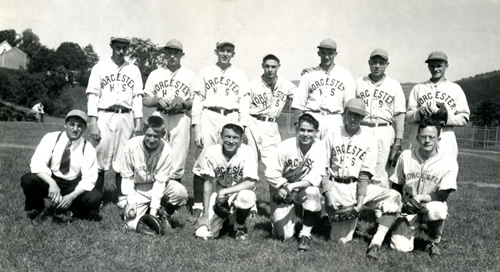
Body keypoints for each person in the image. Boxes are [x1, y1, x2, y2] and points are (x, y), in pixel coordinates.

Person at [322, 98, 401, 260]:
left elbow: (364, 175)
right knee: (340, 240)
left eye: (358, 116)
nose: (353, 119)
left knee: (394, 196)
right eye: (350, 114)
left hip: (359, 187)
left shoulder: (369, 140)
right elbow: (323, 168)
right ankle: (331, 217)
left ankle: (376, 242)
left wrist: (359, 204)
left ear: (362, 118)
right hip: (337, 187)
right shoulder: (331, 134)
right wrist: (328, 195)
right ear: (344, 114)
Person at [190, 39, 250, 219]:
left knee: (228, 159)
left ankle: (226, 200)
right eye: (222, 50)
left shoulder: (239, 74)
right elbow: (198, 100)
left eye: (229, 50)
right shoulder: (205, 72)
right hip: (209, 114)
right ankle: (198, 204)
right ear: (216, 52)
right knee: (203, 158)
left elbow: (244, 102)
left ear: (233, 54)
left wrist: (243, 126)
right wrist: (196, 127)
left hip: (231, 116)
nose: (225, 53)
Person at [86, 36, 144, 207]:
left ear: (128, 49)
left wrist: (139, 122)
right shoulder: (99, 68)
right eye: (117, 47)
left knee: (124, 156)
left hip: (126, 116)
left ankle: (122, 197)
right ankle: (96, 196)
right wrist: (93, 122)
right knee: (100, 155)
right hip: (105, 114)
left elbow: (137, 98)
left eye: (124, 48)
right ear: (111, 46)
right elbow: (93, 95)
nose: (121, 51)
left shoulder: (133, 70)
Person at [390, 118, 458, 257]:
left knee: (437, 210)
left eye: (431, 137)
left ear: (438, 139)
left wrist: (420, 198)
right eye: (423, 136)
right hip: (409, 205)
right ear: (417, 138)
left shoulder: (449, 161)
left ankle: (433, 240)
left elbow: (443, 195)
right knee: (399, 247)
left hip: (431, 203)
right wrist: (397, 206)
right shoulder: (406, 156)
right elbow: (397, 184)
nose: (427, 140)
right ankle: (414, 227)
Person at [20, 110, 102, 222]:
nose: (75, 129)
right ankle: (39, 209)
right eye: (72, 124)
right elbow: (37, 163)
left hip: (73, 183)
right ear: (65, 125)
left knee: (94, 197)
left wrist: (72, 196)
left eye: (79, 126)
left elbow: (89, 178)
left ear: (84, 129)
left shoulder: (88, 148)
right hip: (52, 179)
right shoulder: (51, 138)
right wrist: (52, 183)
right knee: (29, 179)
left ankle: (73, 212)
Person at [265, 113, 326, 251]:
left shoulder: (320, 148)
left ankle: (305, 234)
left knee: (313, 193)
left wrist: (292, 186)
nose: (305, 134)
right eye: (302, 130)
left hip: (300, 187)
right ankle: (277, 217)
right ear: (296, 129)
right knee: (284, 236)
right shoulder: (285, 146)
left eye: (310, 131)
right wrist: (283, 186)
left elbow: (316, 178)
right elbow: (270, 172)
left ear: (316, 132)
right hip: (281, 189)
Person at [121, 115, 188, 231]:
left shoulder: (167, 151)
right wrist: (131, 202)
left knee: (180, 192)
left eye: (156, 136)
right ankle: (140, 212)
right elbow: (127, 176)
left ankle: (164, 215)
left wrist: (153, 211)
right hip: (138, 188)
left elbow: (160, 182)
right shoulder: (131, 145)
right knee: (131, 223)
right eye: (149, 135)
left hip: (158, 186)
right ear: (143, 132)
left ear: (163, 135)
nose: (152, 140)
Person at [143, 39, 196, 183]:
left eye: (176, 53)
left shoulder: (190, 75)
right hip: (160, 115)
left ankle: (173, 198)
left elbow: (196, 101)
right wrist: (157, 100)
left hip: (180, 118)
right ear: (165, 53)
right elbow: (145, 99)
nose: (172, 56)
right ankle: (153, 192)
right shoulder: (155, 74)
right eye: (169, 52)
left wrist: (183, 103)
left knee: (178, 157)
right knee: (156, 152)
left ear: (181, 54)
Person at [194, 122, 258, 242]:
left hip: (239, 191)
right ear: (221, 136)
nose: (231, 141)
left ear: (241, 140)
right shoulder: (212, 152)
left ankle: (240, 226)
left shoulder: (247, 152)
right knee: (202, 233)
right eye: (227, 137)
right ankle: (229, 219)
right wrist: (205, 214)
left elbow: (251, 182)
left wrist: (226, 191)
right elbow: (207, 183)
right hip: (218, 195)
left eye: (235, 138)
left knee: (246, 196)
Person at [355, 48, 406, 189]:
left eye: (381, 63)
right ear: (369, 63)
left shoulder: (394, 85)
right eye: (374, 62)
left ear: (386, 65)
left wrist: (398, 142)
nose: (377, 65)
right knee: (358, 166)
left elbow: (400, 114)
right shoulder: (359, 82)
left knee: (381, 172)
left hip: (384, 129)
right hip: (362, 128)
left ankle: (380, 209)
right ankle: (355, 205)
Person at [406, 51, 470, 159]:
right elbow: (408, 116)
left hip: (445, 136)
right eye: (432, 66)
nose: (435, 69)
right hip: (422, 136)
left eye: (439, 66)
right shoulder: (419, 88)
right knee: (417, 169)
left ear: (446, 66)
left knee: (445, 170)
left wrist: (446, 117)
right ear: (428, 67)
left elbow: (464, 117)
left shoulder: (455, 89)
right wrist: (418, 113)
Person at [291, 38, 355, 139]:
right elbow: (298, 104)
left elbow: (349, 105)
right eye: (323, 53)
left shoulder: (345, 75)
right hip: (312, 118)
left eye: (330, 53)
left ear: (335, 54)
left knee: (333, 153)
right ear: (318, 53)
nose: (326, 56)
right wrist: (298, 126)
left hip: (335, 120)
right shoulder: (309, 74)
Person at [245, 54, 296, 170]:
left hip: (272, 125)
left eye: (273, 67)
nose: (270, 70)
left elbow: (300, 96)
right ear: (262, 66)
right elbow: (244, 107)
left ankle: (276, 187)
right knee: (250, 164)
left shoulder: (286, 84)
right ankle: (247, 188)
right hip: (253, 123)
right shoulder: (253, 85)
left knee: (275, 165)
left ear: (279, 66)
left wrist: (309, 74)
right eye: (267, 66)